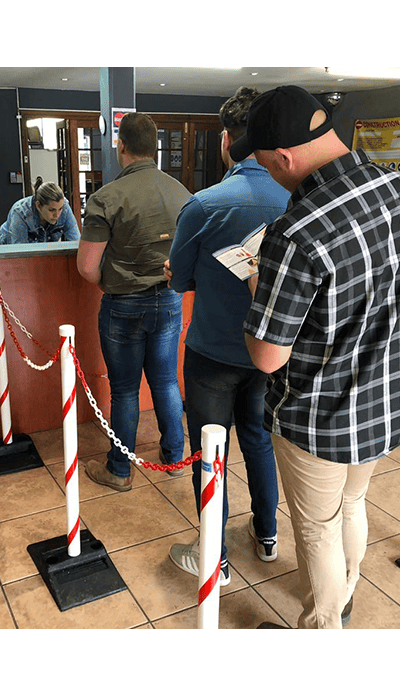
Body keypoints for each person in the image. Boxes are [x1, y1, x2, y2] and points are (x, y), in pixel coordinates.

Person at [231, 86, 400, 628]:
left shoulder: (297, 232)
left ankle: (324, 627)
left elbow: (268, 357)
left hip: (320, 416)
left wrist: (257, 285)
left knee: (316, 527)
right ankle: (346, 592)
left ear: (284, 157)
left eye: (265, 164)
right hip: (386, 397)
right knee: (351, 504)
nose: (269, 173)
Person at [165, 87, 291, 587]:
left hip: (212, 352)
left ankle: (213, 556)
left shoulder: (203, 205)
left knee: (209, 451)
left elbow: (179, 280)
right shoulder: (297, 201)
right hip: (271, 352)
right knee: (259, 440)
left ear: (226, 139)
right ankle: (267, 535)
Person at [77, 112, 191, 492]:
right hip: (169, 301)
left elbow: (87, 267)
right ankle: (175, 458)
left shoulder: (106, 198)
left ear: (121, 145)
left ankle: (119, 471)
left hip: (123, 305)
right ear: (154, 147)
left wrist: (113, 281)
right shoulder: (182, 193)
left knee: (125, 390)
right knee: (166, 381)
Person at [0, 177, 80, 244]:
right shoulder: (20, 212)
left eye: (60, 209)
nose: (57, 215)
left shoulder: (64, 206)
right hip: (9, 249)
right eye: (52, 210)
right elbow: (20, 253)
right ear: (38, 205)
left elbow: (76, 242)